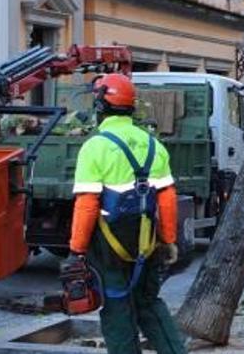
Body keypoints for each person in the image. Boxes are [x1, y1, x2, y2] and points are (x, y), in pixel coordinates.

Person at [67, 74, 186, 354]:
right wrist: (169, 240)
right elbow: (167, 199)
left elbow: (86, 204)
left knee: (116, 305)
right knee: (149, 303)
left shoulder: (95, 147)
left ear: (100, 107)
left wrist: (76, 251)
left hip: (109, 246)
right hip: (147, 240)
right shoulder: (153, 144)